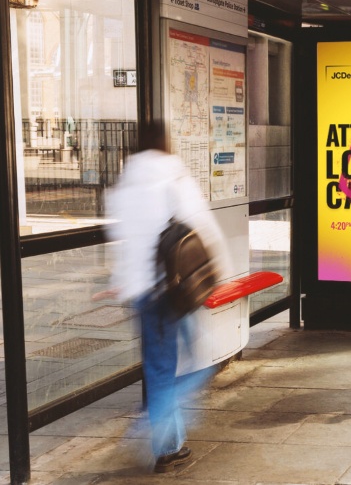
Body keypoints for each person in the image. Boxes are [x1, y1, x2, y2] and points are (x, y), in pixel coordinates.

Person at [94, 121, 230, 473]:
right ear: (165, 142)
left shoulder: (124, 186)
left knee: (159, 371)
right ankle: (150, 428)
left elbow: (122, 239)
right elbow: (202, 226)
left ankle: (168, 445)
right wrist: (221, 273)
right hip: (174, 291)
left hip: (142, 294)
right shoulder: (174, 176)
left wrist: (122, 282)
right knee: (200, 363)